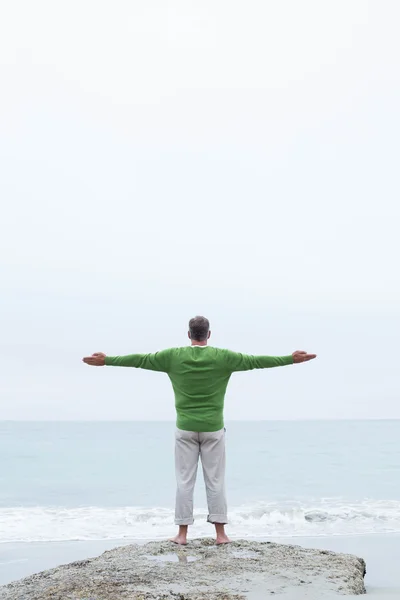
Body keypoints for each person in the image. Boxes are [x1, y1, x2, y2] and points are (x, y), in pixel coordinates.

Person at [83, 315, 316, 545]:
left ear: (188, 334)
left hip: (185, 428)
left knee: (185, 481)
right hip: (213, 429)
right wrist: (290, 359)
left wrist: (107, 360)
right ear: (209, 334)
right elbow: (256, 361)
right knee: (215, 481)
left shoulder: (172, 356)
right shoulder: (224, 357)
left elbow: (140, 360)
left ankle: (182, 535)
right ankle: (221, 535)